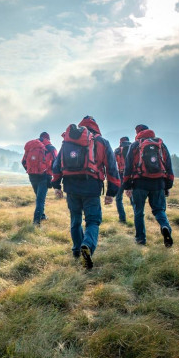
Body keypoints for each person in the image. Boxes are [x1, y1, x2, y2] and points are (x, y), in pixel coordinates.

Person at [52, 116, 120, 270]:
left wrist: (56, 184)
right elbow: (112, 168)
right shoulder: (102, 142)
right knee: (93, 221)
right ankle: (87, 245)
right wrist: (111, 192)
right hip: (91, 186)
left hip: (70, 186)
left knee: (75, 220)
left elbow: (57, 164)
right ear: (96, 127)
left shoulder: (68, 141)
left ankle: (77, 250)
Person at [122, 124, 175, 247]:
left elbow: (128, 167)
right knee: (159, 210)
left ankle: (140, 239)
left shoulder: (134, 145)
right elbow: (168, 166)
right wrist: (167, 186)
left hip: (139, 184)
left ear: (137, 133)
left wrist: (127, 186)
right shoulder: (161, 145)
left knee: (138, 212)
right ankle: (165, 227)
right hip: (158, 183)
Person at [22, 132, 58, 225]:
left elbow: (23, 161)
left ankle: (42, 216)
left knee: (39, 198)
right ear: (48, 139)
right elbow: (56, 163)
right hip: (44, 176)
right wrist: (52, 175)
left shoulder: (31, 147)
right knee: (40, 200)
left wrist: (30, 170)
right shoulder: (51, 148)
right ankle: (36, 222)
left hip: (32, 176)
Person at [114, 136, 133, 223]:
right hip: (131, 176)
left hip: (121, 175)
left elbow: (113, 163)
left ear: (120, 142)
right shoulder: (133, 148)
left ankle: (122, 218)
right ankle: (137, 216)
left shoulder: (118, 150)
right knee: (132, 198)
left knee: (118, 198)